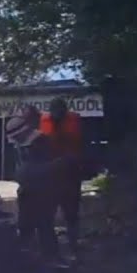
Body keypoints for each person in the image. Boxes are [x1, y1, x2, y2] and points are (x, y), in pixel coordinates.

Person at [8, 107, 70, 269]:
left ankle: (51, 258)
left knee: (44, 224)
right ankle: (26, 258)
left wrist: (32, 173)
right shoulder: (21, 145)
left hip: (44, 190)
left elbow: (51, 167)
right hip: (27, 189)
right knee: (25, 224)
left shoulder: (42, 142)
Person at [41, 97, 85, 259]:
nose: (57, 115)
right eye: (54, 112)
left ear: (65, 111)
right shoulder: (44, 122)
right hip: (51, 175)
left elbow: (83, 145)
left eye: (60, 111)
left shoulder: (75, 121)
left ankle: (73, 246)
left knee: (71, 213)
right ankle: (50, 250)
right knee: (48, 214)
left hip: (71, 174)